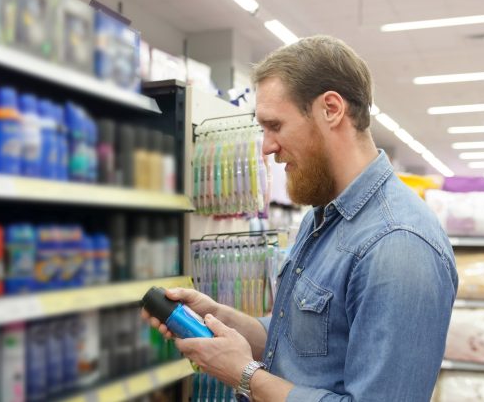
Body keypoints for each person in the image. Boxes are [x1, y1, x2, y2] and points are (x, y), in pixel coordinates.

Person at [143, 35, 458, 402]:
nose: (266, 146)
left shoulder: (399, 244)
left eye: (275, 126)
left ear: (331, 109)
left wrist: (244, 375)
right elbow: (299, 345)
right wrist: (220, 318)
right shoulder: (322, 215)